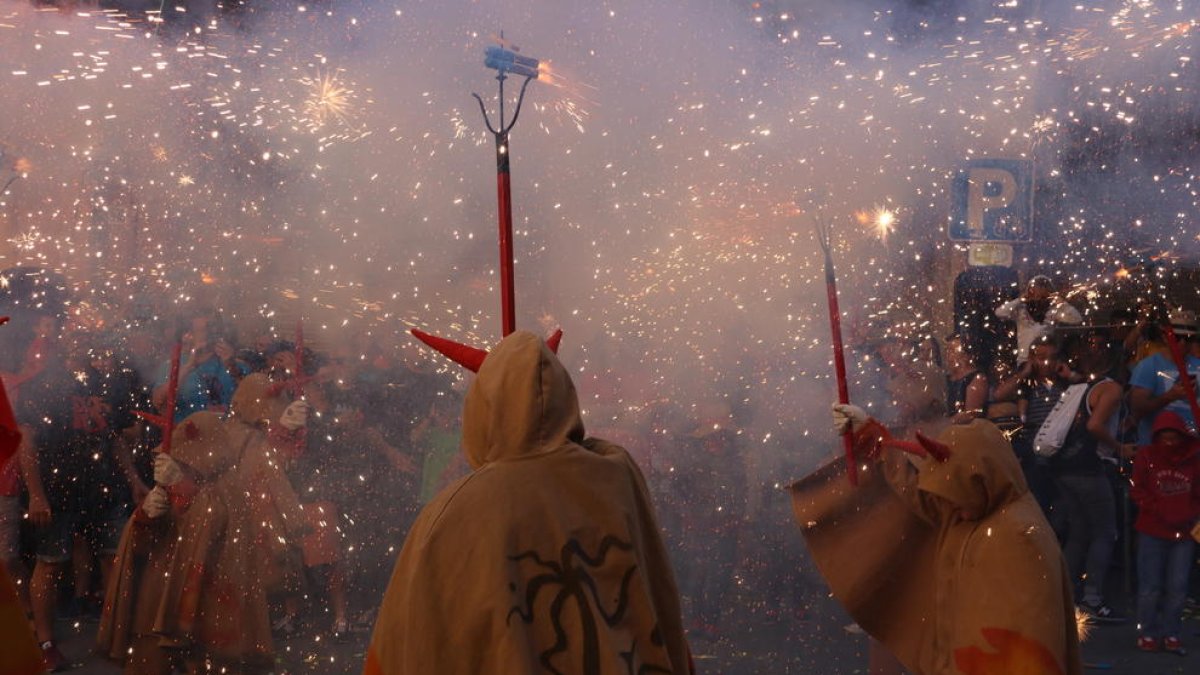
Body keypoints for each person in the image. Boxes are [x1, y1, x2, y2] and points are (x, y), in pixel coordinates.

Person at [365, 330, 692, 674]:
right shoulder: (618, 476)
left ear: (482, 408)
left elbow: (407, 644)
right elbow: (657, 599)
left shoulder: (455, 511)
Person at [790, 404, 1082, 675]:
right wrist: (874, 438)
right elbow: (927, 499)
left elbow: (1030, 649)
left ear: (982, 480)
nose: (951, 507)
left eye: (957, 496)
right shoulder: (976, 504)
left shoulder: (1019, 537)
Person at [1129, 411, 1200, 654]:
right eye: (1165, 438)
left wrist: (1188, 513)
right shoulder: (1147, 456)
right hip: (1152, 530)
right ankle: (1148, 631)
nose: (1169, 444)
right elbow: (1137, 490)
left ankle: (1171, 632)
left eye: (1174, 438)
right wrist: (1159, 509)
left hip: (1183, 533)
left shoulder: (1194, 460)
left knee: (1177, 587)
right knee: (1150, 586)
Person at [1128, 308, 1200, 444]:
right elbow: (1137, 410)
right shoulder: (1148, 366)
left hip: (1193, 453)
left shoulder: (1198, 365)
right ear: (1164, 337)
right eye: (1177, 338)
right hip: (1158, 451)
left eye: (1188, 338)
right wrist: (1169, 396)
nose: (1183, 343)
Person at [995, 274, 1083, 365]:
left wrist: (1060, 301)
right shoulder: (1020, 309)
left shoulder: (1053, 310)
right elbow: (999, 312)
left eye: (1043, 290)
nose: (1038, 297)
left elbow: (1076, 319)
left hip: (1046, 362)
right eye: (1036, 290)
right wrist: (1020, 299)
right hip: (1025, 360)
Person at [944, 333, 988, 424]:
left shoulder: (977, 378)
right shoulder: (946, 379)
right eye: (947, 350)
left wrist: (944, 425)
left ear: (965, 355)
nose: (948, 355)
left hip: (966, 433)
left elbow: (970, 414)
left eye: (952, 351)